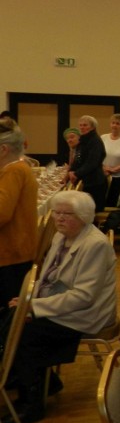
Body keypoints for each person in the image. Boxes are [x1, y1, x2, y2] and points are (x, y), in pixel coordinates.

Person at [3, 190, 116, 423]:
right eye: (56, 212)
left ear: (84, 217)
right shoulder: (60, 236)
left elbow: (84, 297)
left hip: (86, 313)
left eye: (67, 214)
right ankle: (36, 379)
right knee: (10, 315)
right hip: (62, 303)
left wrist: (34, 306)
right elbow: (46, 278)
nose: (59, 218)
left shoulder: (94, 244)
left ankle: (31, 404)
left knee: (25, 330)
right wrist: (27, 300)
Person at [0, 117, 38, 306]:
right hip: (19, 251)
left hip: (9, 255)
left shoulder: (13, 171)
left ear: (3, 149)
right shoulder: (20, 168)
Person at [69, 115, 108, 211]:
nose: (82, 127)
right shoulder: (83, 140)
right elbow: (78, 159)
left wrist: (76, 173)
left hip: (94, 183)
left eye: (85, 125)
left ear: (93, 127)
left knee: (88, 212)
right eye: (80, 125)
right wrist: (71, 171)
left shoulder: (95, 141)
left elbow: (92, 163)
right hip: (86, 180)